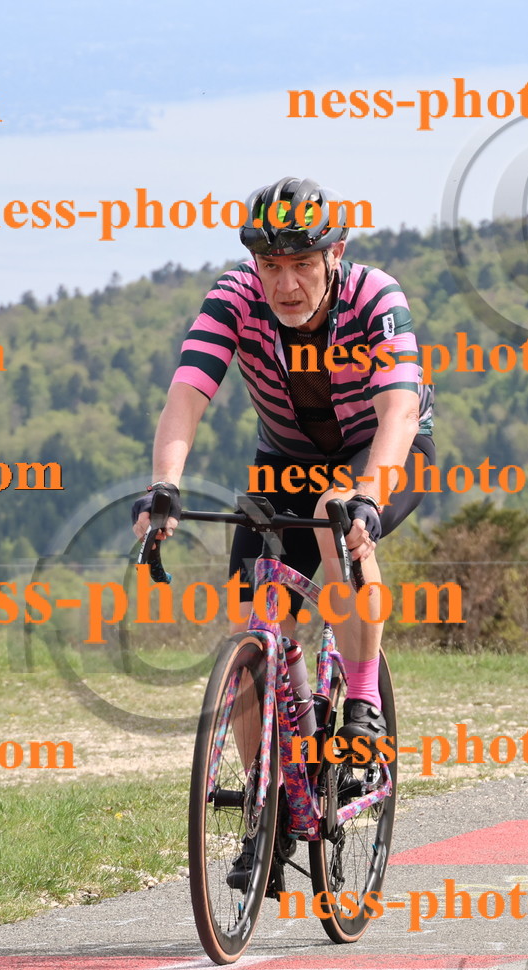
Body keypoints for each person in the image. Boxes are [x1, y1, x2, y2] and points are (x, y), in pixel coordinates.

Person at [131, 175, 435, 748]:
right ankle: (262, 809)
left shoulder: (376, 297)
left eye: (301, 263)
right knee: (250, 629)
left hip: (385, 451)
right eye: (270, 265)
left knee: (337, 513)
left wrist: (368, 495)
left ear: (335, 254)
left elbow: (399, 411)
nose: (286, 283)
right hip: (286, 460)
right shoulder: (235, 298)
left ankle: (364, 700)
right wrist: (163, 486)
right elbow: (187, 394)